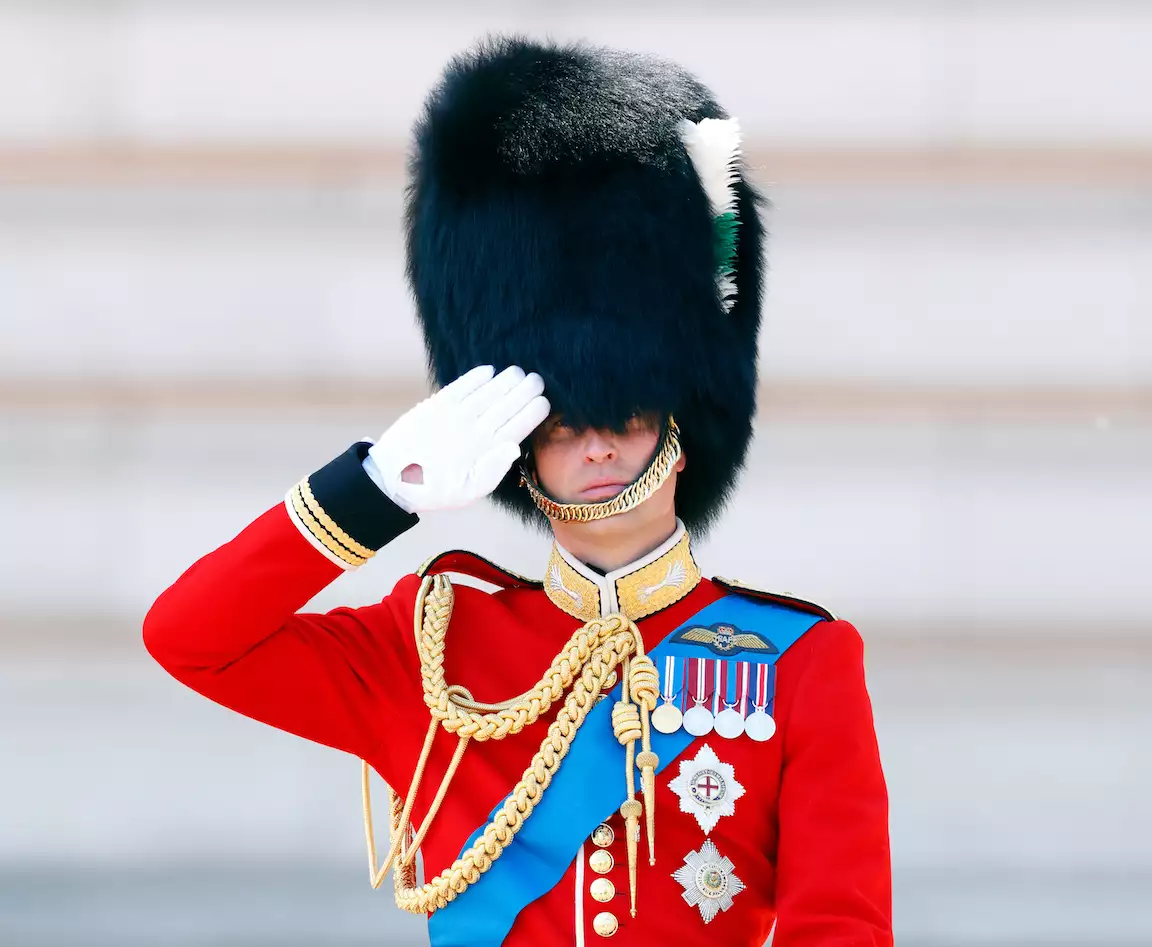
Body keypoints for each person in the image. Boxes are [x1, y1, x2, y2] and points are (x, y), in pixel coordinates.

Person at [143, 36, 892, 947]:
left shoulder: (800, 662)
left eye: (627, 415)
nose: (599, 444)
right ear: (518, 455)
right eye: (561, 424)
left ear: (682, 433)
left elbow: (839, 927)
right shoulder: (430, 646)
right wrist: (377, 490)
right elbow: (190, 638)